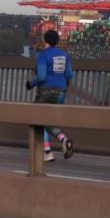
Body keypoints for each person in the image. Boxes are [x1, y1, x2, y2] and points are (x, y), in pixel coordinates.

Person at [26, 30, 75, 162]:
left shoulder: (43, 55)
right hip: (61, 91)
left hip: (46, 91)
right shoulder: (64, 55)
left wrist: (31, 84)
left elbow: (41, 76)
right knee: (49, 120)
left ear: (44, 40)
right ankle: (60, 141)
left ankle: (49, 150)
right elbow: (69, 75)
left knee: (38, 119)